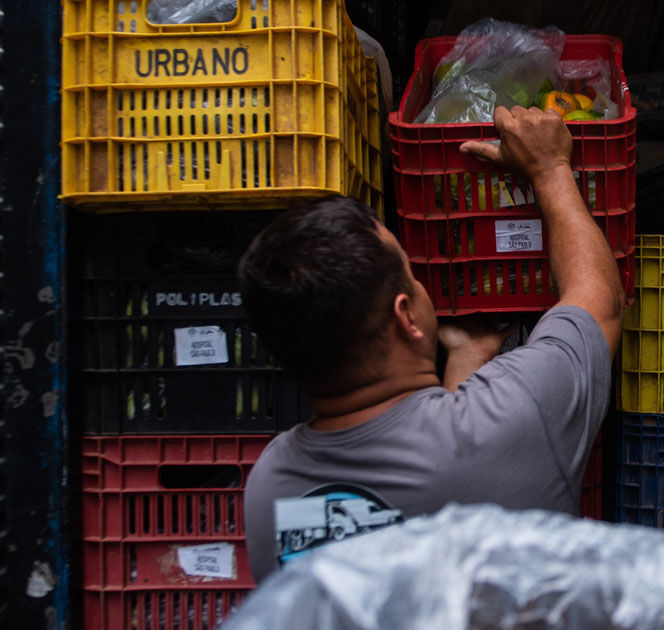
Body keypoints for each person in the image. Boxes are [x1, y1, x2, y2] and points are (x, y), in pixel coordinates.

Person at [238, 105, 625, 583]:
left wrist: (466, 355)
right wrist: (549, 169)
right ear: (406, 316)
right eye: (410, 272)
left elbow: (431, 471)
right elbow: (599, 302)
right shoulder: (517, 414)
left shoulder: (272, 491)